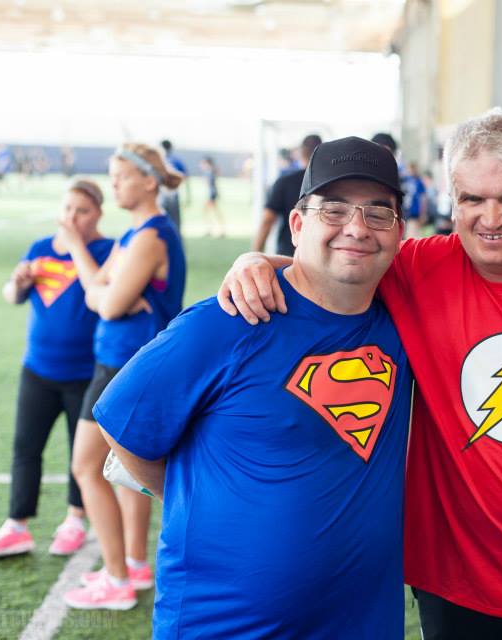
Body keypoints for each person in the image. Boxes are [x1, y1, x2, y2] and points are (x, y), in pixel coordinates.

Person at [220, 113, 502, 640]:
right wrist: (256, 260)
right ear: (451, 200)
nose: (491, 218)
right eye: (472, 199)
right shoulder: (418, 269)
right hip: (453, 581)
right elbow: (333, 268)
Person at [94, 137, 412, 638]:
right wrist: (198, 498)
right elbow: (120, 427)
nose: (356, 227)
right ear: (298, 224)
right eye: (334, 210)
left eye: (378, 213)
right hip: (223, 623)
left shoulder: (407, 317)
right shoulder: (228, 321)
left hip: (361, 621)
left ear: (399, 233)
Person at [61, 143, 186, 611]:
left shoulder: (151, 236)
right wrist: (104, 290)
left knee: (86, 468)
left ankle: (116, 578)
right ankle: (133, 563)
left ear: (148, 181)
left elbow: (108, 302)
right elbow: (98, 291)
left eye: (120, 176)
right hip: (119, 361)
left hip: (124, 365)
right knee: (124, 472)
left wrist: (80, 254)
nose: (113, 183)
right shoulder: (133, 234)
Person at [0, 179, 114, 560]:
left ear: (98, 213)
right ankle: (17, 524)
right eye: (67, 209)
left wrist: (77, 248)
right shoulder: (39, 248)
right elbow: (11, 294)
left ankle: (74, 519)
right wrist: (17, 284)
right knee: (26, 446)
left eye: (81, 211)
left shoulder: (107, 251)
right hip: (37, 369)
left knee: (79, 452)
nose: (71, 218)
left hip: (85, 372)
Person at [252, 134, 322, 256]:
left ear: (302, 151)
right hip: (319, 255)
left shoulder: (285, 182)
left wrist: (255, 255)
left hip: (288, 255)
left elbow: (267, 220)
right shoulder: (332, 186)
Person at [159, 139, 189, 231]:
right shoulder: (177, 161)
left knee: (161, 223)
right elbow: (185, 179)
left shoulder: (159, 161)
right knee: (175, 224)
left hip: (162, 195)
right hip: (173, 194)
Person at [199, 156, 225, 237]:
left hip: (212, 194)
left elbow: (210, 184)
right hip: (212, 194)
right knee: (211, 212)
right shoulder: (211, 171)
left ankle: (218, 230)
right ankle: (214, 229)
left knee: (211, 212)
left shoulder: (209, 172)